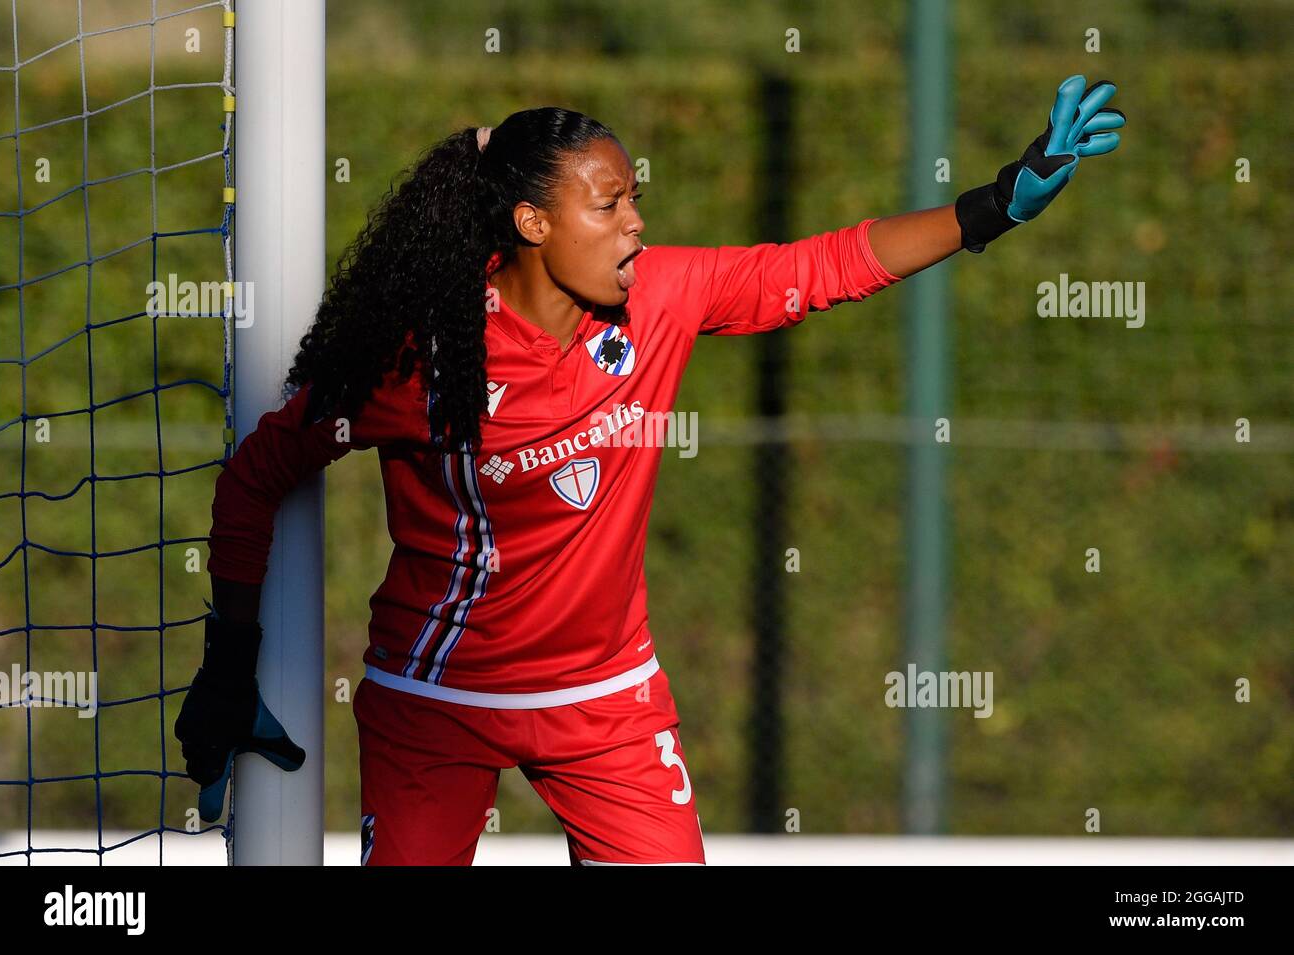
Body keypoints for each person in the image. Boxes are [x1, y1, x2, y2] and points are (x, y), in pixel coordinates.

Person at [175, 77, 1124, 866]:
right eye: (611, 203)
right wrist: (229, 661)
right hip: (438, 699)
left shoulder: (660, 299)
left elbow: (825, 265)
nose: (636, 224)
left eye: (634, 199)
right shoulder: (419, 356)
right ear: (532, 222)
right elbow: (258, 474)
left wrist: (992, 206)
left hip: (605, 700)